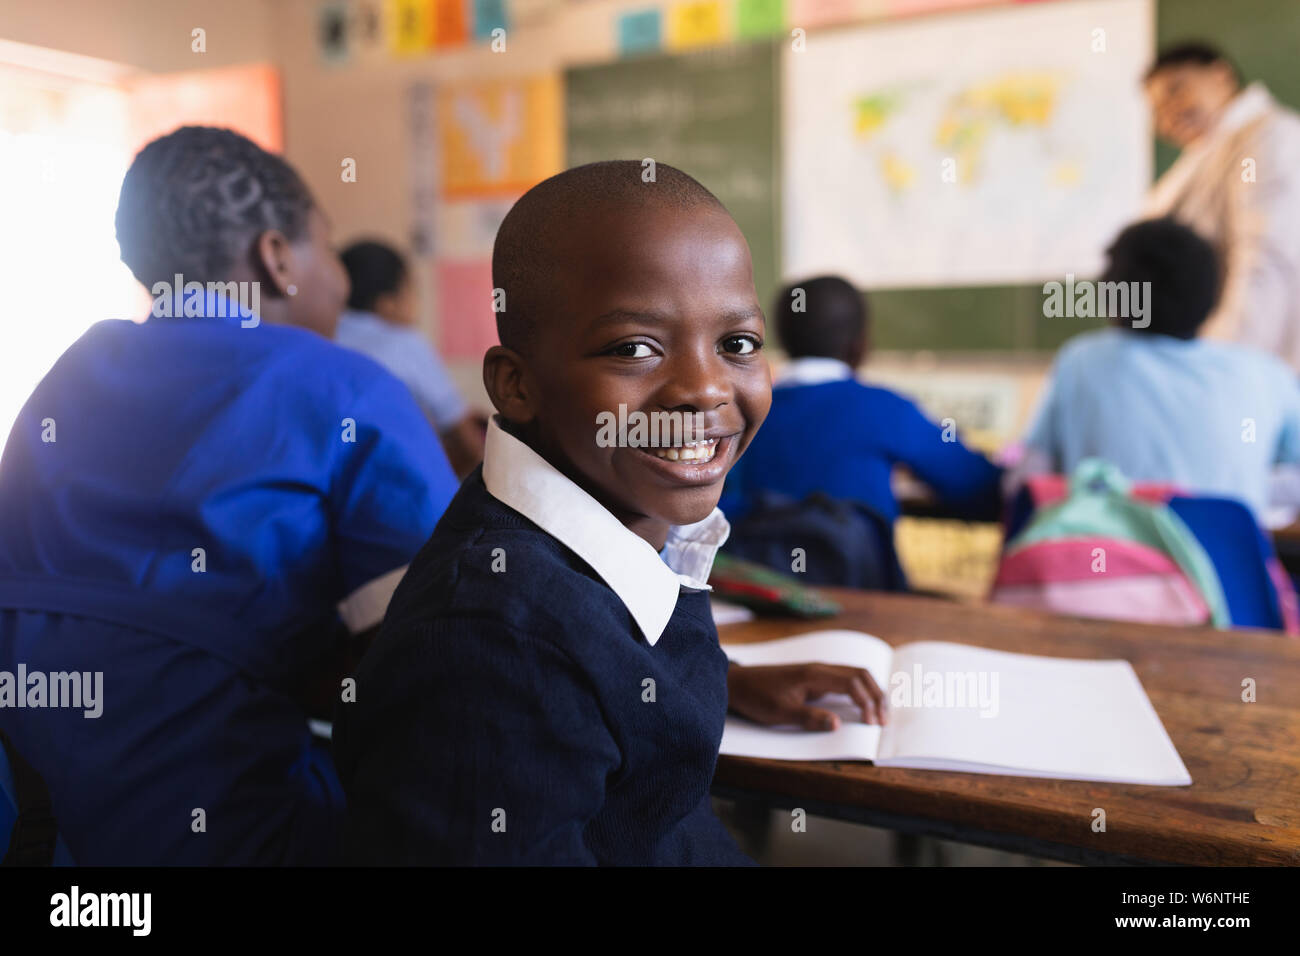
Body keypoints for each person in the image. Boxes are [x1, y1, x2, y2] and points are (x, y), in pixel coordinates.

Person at [334, 161, 888, 865]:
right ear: (517, 384)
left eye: (737, 345)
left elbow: (602, 671)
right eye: (634, 348)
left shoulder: (620, 526)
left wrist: (731, 680)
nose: (703, 388)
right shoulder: (493, 649)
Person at [0, 126, 459, 864]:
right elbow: (448, 647)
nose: (341, 281)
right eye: (328, 247)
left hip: (50, 846)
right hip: (239, 834)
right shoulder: (344, 387)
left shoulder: (67, 376)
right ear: (277, 257)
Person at [1019, 218, 1300, 521]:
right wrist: (1244, 488)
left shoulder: (1082, 361)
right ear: (1213, 293)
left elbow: (1026, 478)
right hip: (1226, 562)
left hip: (1105, 562)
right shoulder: (1267, 375)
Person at [721, 275, 1002, 525]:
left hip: (753, 581)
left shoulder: (747, 412)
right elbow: (977, 484)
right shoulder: (884, 409)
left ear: (778, 338)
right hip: (861, 580)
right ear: (860, 344)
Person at [1143, 42, 1300, 370]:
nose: (1167, 115)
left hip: (1257, 365)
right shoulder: (1207, 154)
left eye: (1176, 91)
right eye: (1156, 109)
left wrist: (1218, 371)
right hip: (1219, 361)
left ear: (1221, 75)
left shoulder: (1268, 137)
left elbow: (1264, 263)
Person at [337, 240, 485, 476]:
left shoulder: (320, 339)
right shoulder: (404, 342)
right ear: (386, 303)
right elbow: (464, 439)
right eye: (410, 291)